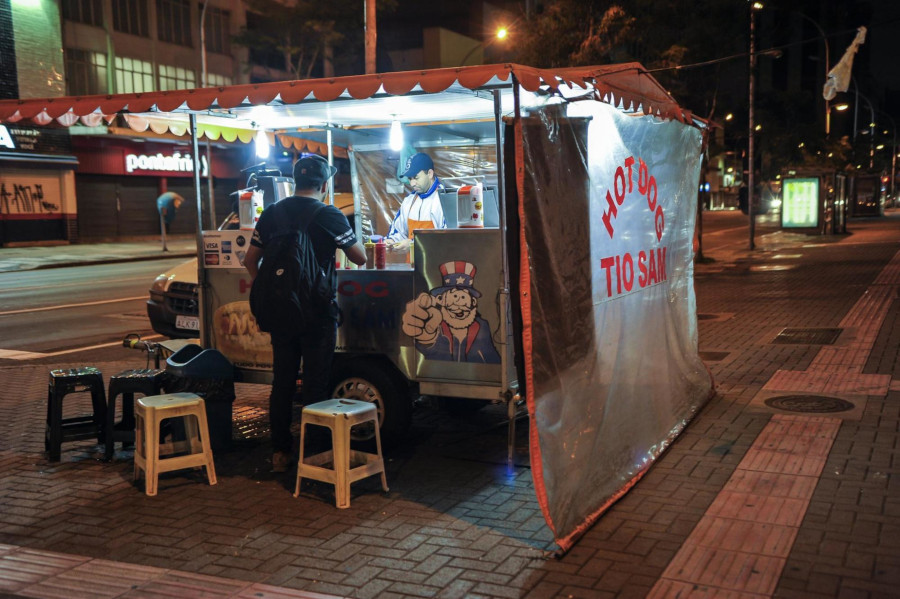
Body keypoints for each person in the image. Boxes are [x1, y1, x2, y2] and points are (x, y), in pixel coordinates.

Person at [243, 155, 366, 472]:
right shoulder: (328, 213)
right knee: (315, 384)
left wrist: (273, 292)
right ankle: (315, 454)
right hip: (317, 312)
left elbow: (249, 260)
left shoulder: (272, 213)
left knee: (282, 382)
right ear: (324, 185)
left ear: (295, 181)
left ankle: (281, 453)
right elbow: (360, 257)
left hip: (281, 314)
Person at [386, 152, 446, 252]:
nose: (412, 183)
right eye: (410, 179)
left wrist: (414, 244)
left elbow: (448, 237)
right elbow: (398, 231)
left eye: (416, 177)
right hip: (412, 266)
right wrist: (391, 241)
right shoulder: (409, 201)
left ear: (430, 174)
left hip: (436, 265)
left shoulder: (444, 199)